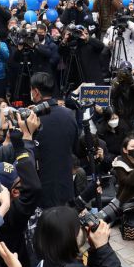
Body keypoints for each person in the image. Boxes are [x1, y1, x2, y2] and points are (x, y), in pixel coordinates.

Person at [30, 72, 79, 207]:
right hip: (65, 186)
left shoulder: (31, 118)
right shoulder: (69, 114)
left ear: (36, 92)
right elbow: (76, 147)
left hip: (40, 188)